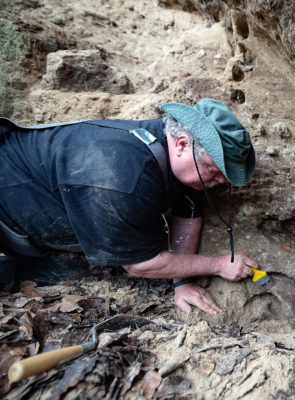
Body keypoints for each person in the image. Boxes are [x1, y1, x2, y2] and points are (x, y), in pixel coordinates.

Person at [0, 98, 259, 314]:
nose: (221, 181)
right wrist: (217, 265)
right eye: (214, 170)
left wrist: (182, 280)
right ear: (181, 145)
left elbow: (187, 210)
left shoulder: (167, 145)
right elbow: (139, 264)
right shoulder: (125, 178)